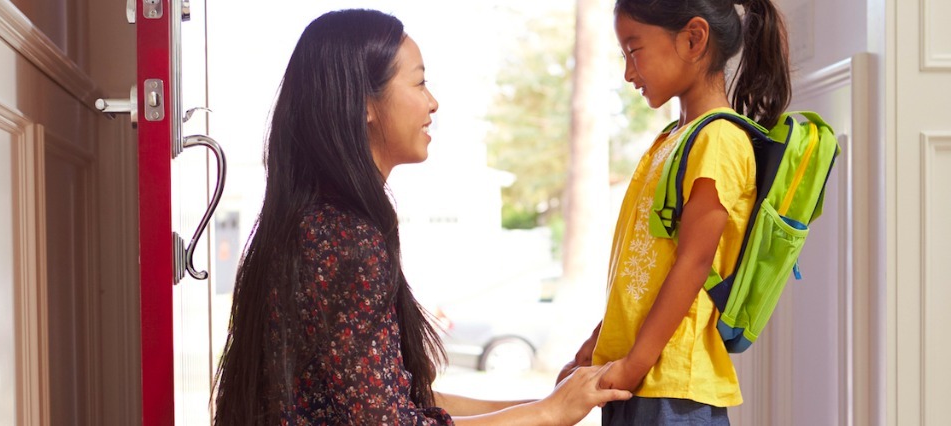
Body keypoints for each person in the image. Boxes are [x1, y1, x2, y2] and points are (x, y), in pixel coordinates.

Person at [211, 9, 632, 426]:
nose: (433, 102)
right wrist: (547, 413)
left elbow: (408, 400)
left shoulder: (318, 220)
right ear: (364, 104)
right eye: (419, 81)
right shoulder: (343, 237)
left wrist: (547, 403)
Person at [555, 0, 791, 424]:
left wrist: (632, 365)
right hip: (640, 379)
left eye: (635, 50)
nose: (628, 72)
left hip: (672, 390)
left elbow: (694, 263)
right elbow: (641, 270)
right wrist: (596, 345)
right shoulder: (673, 139)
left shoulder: (719, 139)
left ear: (693, 39)